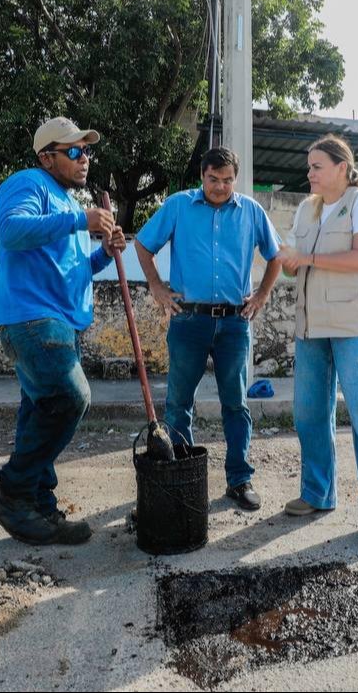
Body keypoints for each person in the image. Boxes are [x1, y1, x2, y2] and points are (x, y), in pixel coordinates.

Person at [0, 115, 127, 545]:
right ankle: (11, 492)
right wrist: (82, 221)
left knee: (39, 411)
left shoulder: (65, 203)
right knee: (70, 397)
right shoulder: (27, 183)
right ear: (47, 157)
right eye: (75, 151)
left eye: (87, 151)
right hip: (32, 318)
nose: (85, 159)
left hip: (56, 321)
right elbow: (10, 231)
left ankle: (38, 508)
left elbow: (72, 269)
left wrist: (102, 253)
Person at [276, 134, 358, 555]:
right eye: (309, 165)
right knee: (309, 412)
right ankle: (317, 493)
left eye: (317, 165)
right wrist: (288, 264)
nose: (309, 173)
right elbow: (298, 268)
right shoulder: (306, 208)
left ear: (341, 167)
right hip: (311, 328)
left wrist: (308, 259)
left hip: (356, 327)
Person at [134, 147, 283, 511]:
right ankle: (180, 478)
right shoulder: (179, 206)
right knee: (179, 403)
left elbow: (276, 255)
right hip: (189, 320)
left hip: (234, 323)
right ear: (202, 176)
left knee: (236, 403)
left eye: (228, 180)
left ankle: (239, 479)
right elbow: (142, 244)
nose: (220, 186)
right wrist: (156, 285)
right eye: (214, 179)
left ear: (235, 178)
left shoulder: (251, 211)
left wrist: (262, 294)